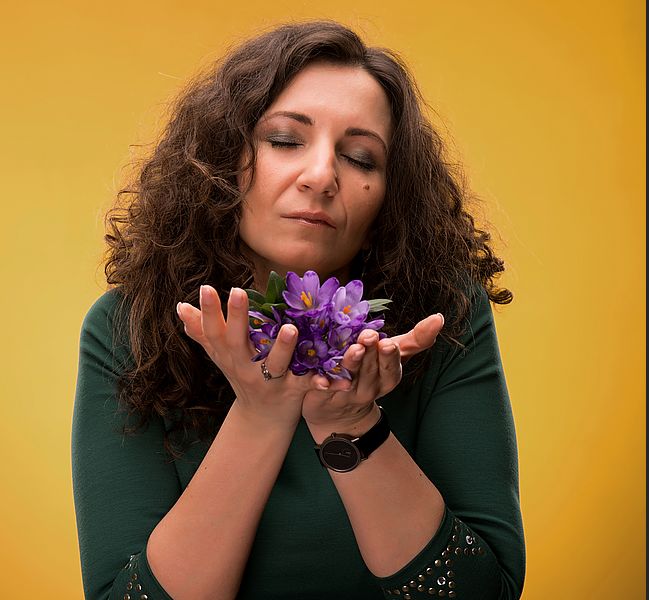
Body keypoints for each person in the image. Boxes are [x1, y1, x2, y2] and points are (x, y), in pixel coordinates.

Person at [71, 19, 525, 600]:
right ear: (219, 162)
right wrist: (261, 416)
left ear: (392, 197)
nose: (321, 177)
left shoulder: (445, 318)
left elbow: (482, 593)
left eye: (361, 157)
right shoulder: (126, 328)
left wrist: (349, 425)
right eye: (285, 141)